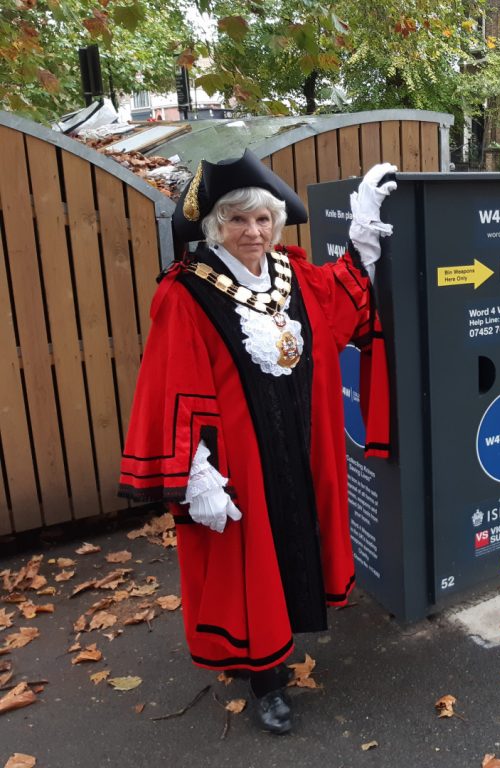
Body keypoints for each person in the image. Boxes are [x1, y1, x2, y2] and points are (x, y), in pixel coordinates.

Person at [119, 150, 396, 734]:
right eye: (239, 220)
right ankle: (266, 679)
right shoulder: (185, 293)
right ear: (216, 224)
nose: (254, 231)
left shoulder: (292, 273)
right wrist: (197, 473)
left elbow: (342, 302)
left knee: (294, 545)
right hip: (238, 461)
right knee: (251, 567)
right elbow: (172, 384)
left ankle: (285, 642)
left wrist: (361, 227)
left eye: (264, 219)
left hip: (300, 446)